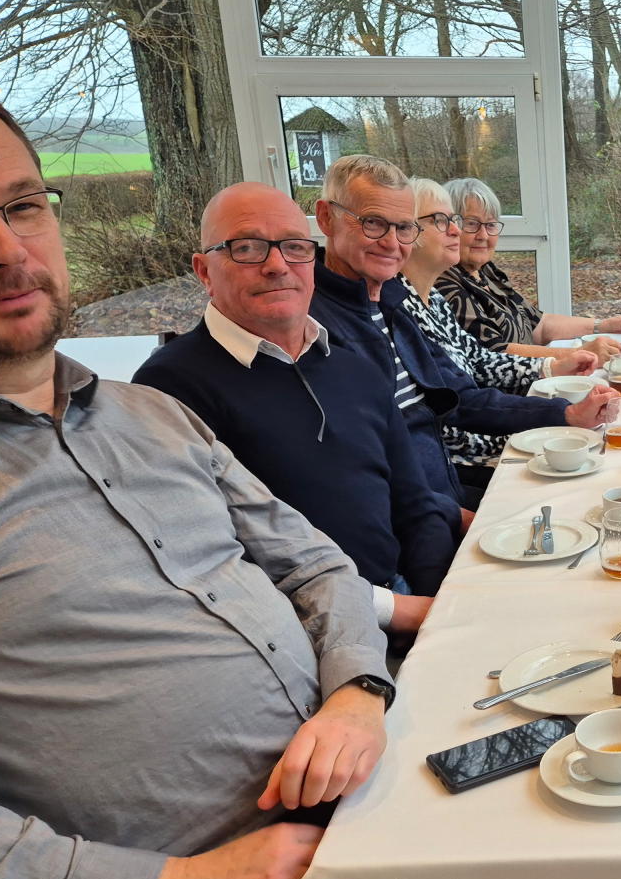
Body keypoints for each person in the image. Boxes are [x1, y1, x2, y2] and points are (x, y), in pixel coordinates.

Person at [0, 84, 394, 879]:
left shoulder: (151, 416)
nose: (8, 249)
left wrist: (355, 691)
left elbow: (316, 566)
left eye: (25, 206)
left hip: (360, 816)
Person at [134, 182, 457, 635]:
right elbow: (209, 563)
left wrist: (436, 604)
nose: (276, 265)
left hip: (404, 606)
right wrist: (401, 613)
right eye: (246, 248)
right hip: (290, 636)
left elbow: (416, 506)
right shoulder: (167, 391)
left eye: (294, 246)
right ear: (204, 271)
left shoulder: (355, 367)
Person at [309, 156, 620, 509]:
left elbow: (462, 397)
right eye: (373, 223)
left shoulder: (392, 306)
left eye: (403, 227)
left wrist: (566, 412)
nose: (391, 241)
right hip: (443, 492)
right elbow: (362, 467)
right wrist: (456, 519)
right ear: (326, 218)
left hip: (446, 492)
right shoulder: (315, 327)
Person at [400, 176, 598, 481]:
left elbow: (481, 359)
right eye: (441, 221)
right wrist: (562, 413)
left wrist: (551, 366)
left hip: (490, 436)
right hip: (468, 459)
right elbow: (462, 402)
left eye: (455, 221)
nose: (456, 231)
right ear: (405, 231)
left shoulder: (433, 299)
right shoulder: (402, 308)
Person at [436, 175, 621, 365]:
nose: (484, 235)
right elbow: (494, 354)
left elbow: (540, 325)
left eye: (490, 225)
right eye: (471, 224)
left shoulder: (487, 272)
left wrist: (604, 325)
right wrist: (580, 354)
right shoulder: (446, 285)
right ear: (450, 228)